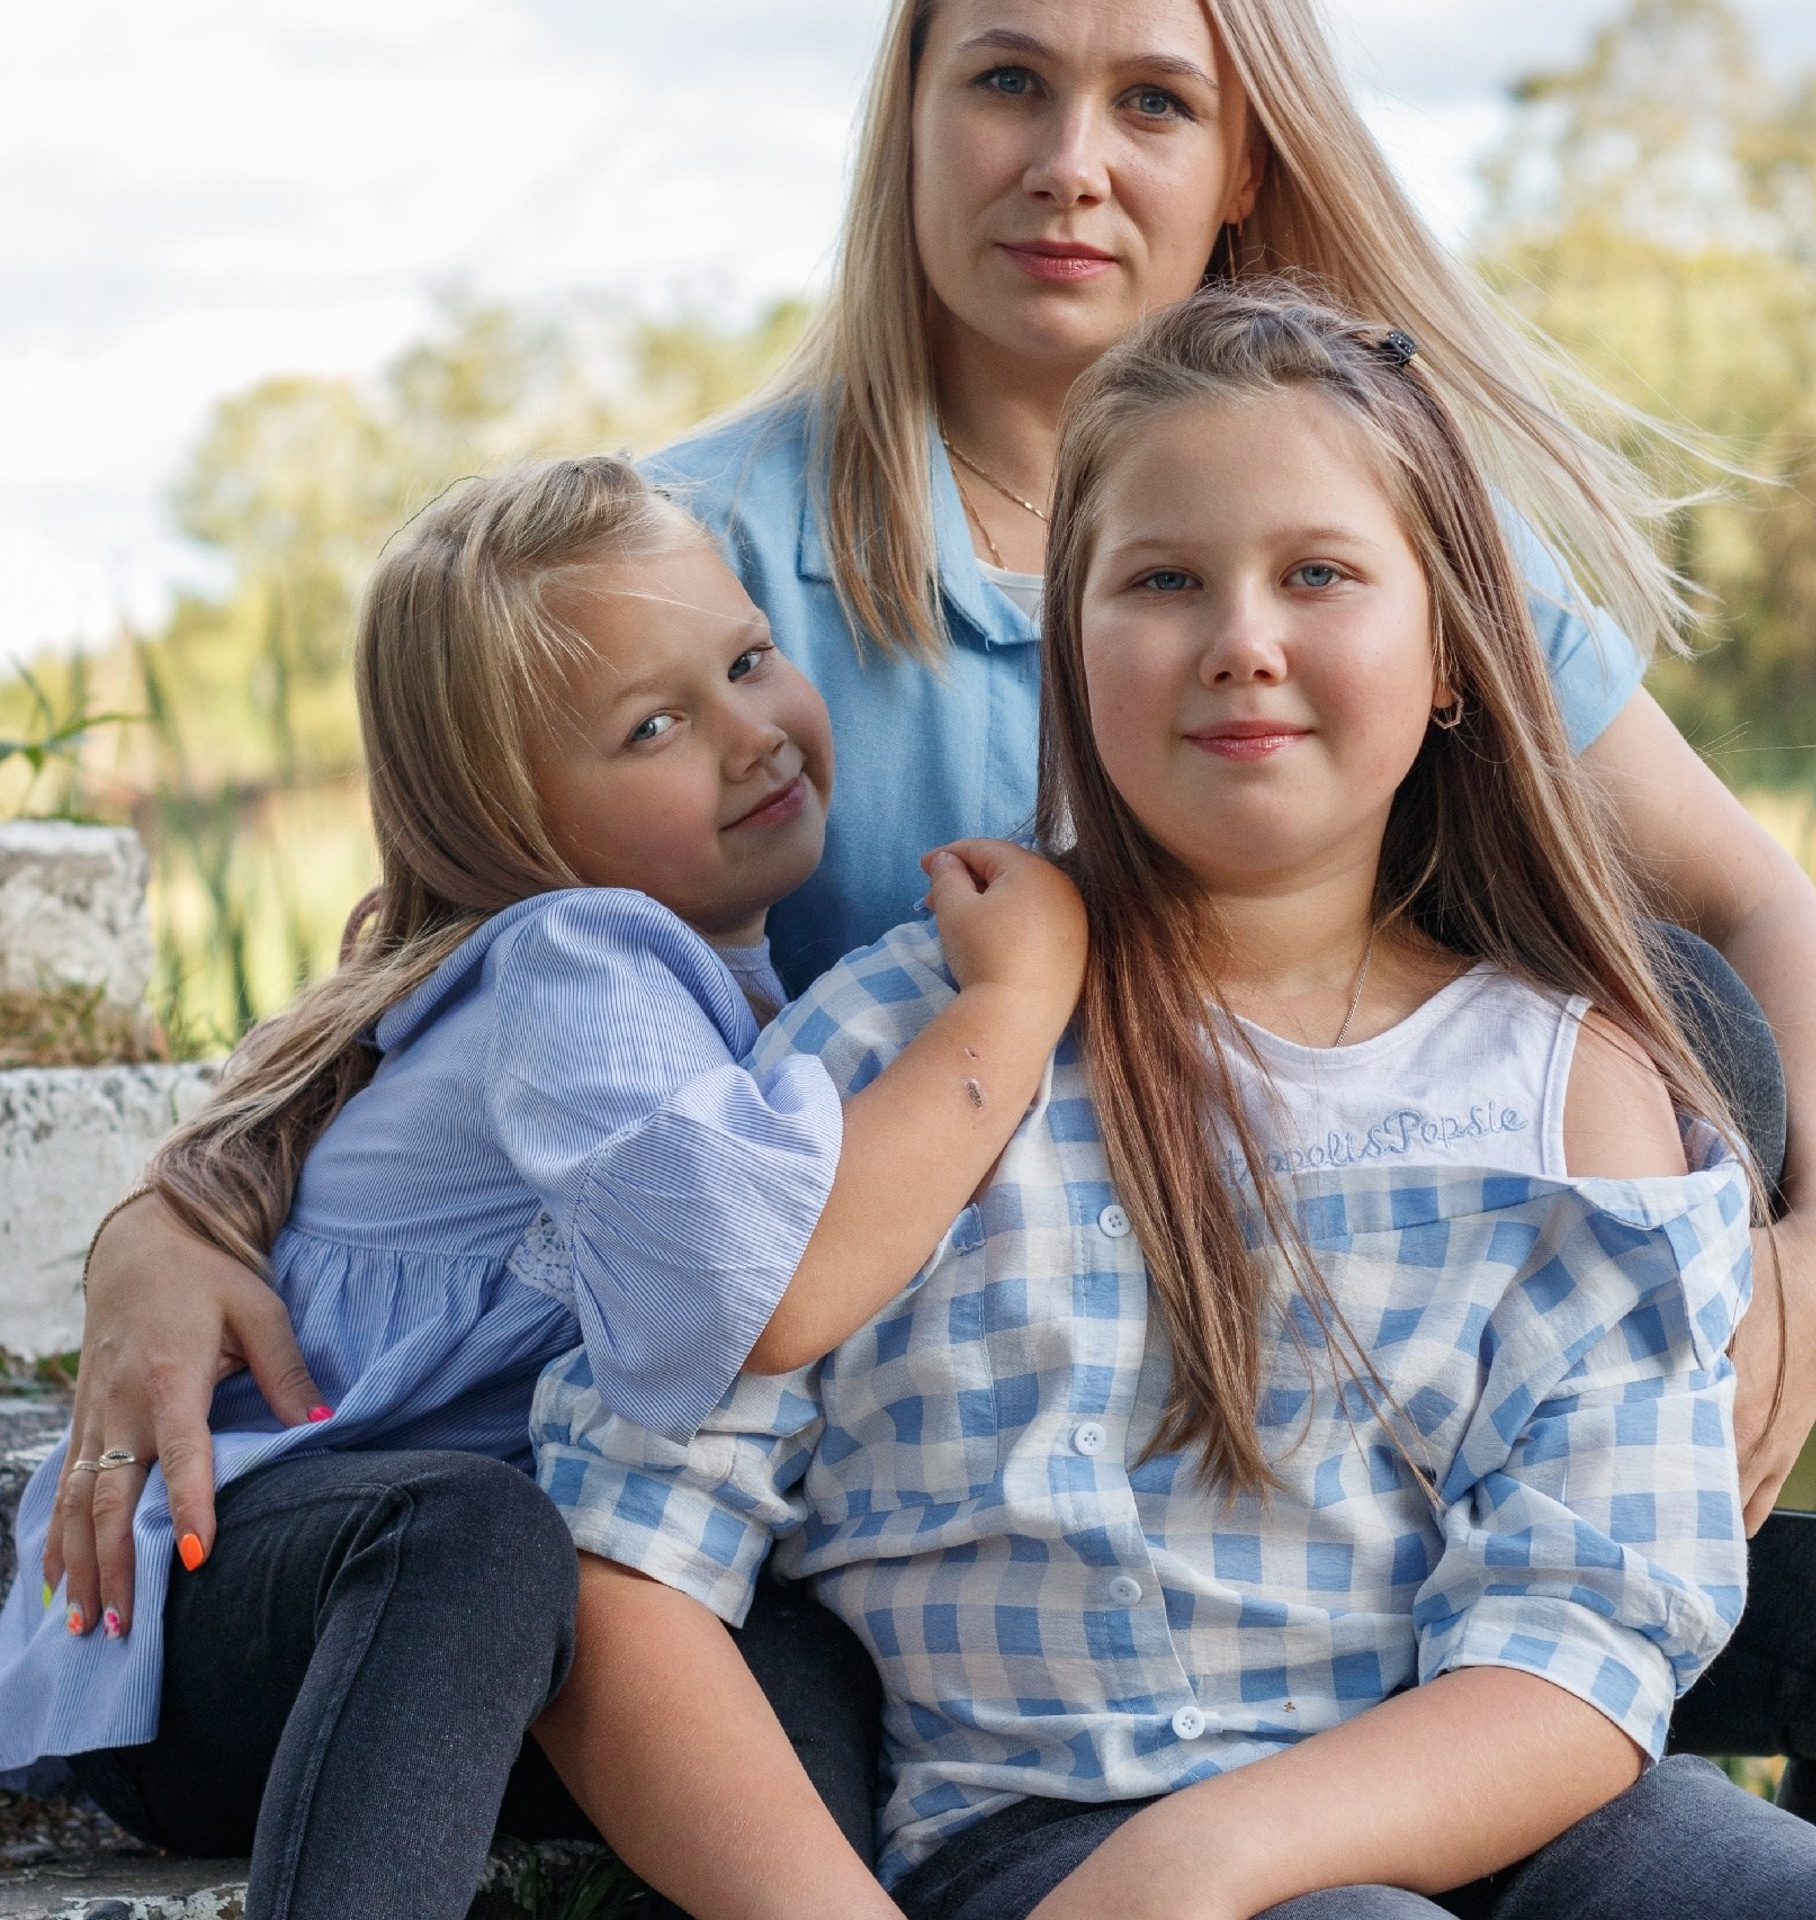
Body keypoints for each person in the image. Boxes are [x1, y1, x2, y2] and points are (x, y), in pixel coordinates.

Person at [57, 0, 1813, 1829]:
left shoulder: (1376, 480)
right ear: (903, 122)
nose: (1069, 162)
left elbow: (1752, 902)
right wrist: (173, 1216)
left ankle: (1542, 1683)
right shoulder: (701, 554)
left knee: (1681, 1017)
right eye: (1003, 82)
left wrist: (1797, 1275)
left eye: (1151, 101)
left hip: (1344, 1326)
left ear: (1244, 167)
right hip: (901, 1402)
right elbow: (467, 962)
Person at [528, 287, 1816, 1920]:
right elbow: (626, 1556)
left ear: (1450, 658)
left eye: (1322, 574)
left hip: (1514, 1815)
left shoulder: (1579, 1094)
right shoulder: (906, 1057)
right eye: (1161, 581)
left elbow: (1588, 1634)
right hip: (1047, 1836)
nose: (1241, 640)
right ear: (1070, 650)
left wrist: (1207, 1859)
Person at [0, 455, 1086, 1920]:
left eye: (748, 660)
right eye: (655, 726)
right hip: (229, 1635)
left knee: (776, 1645)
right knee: (483, 1537)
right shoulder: (583, 959)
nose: (752, 734)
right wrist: (1013, 1000)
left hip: (474, 1662)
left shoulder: (713, 997)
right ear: (509, 817)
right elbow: (762, 1292)